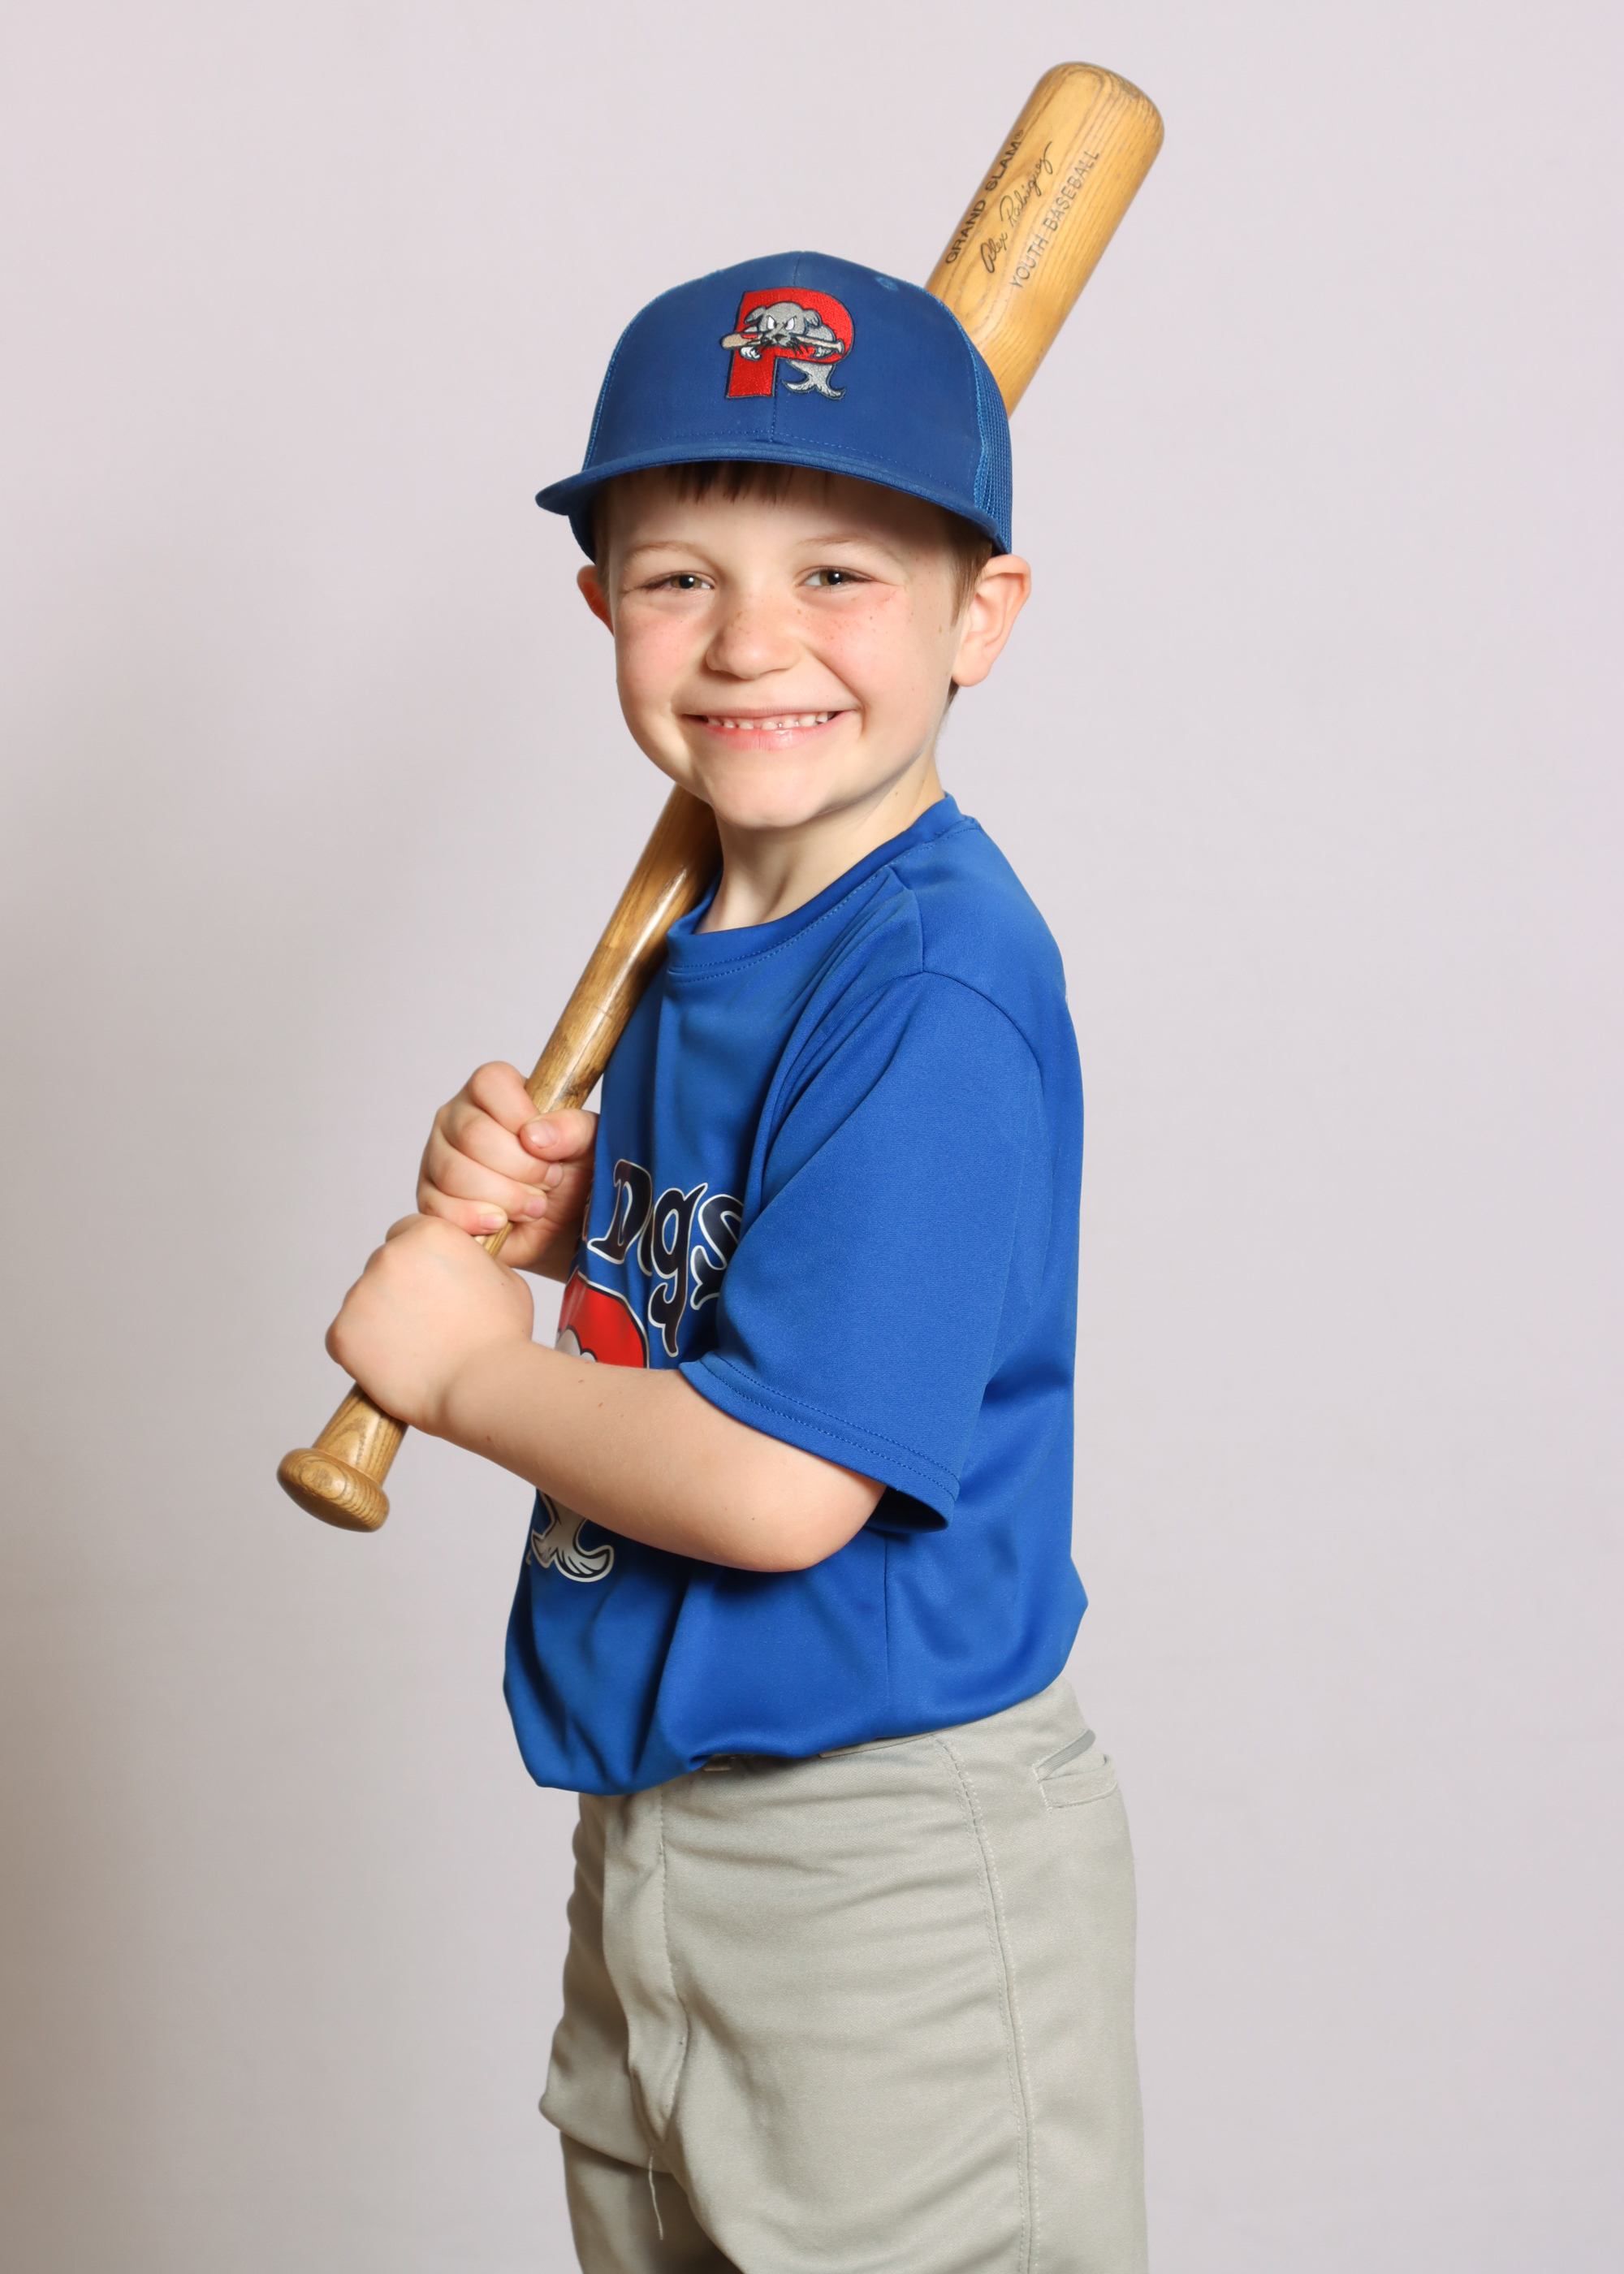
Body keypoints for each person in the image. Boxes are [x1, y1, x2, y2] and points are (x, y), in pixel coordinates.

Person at [326, 251, 1147, 2272]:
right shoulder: (728, 945)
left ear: (982, 616)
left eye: (841, 574)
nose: (752, 638)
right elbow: (740, 1306)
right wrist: (571, 1229)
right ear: (600, 601)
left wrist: (465, 1370)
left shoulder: (930, 980)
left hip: (879, 1860)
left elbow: (781, 1480)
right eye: (681, 575)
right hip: (661, 1831)